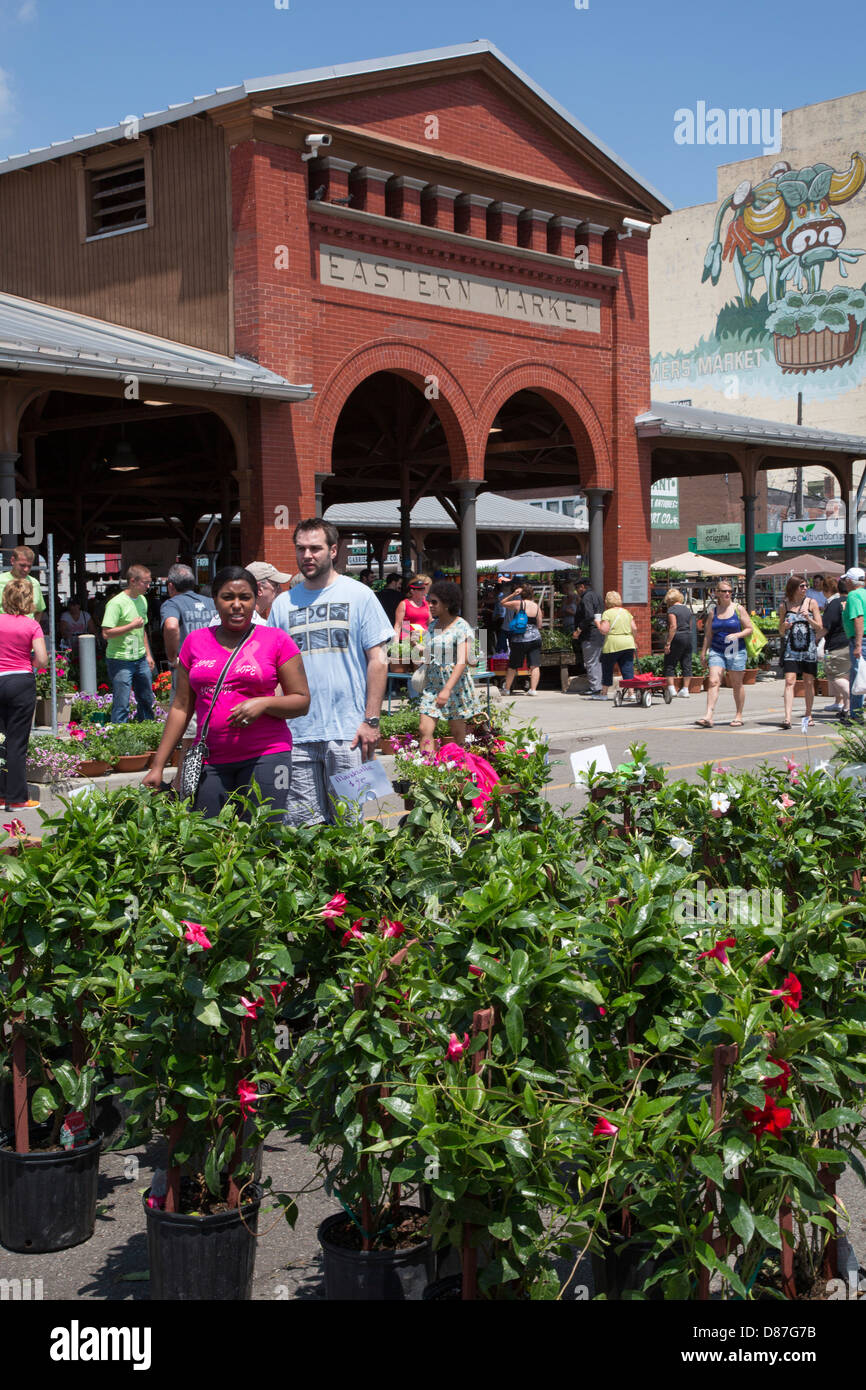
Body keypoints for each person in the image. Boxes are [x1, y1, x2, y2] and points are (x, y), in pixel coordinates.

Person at [143, 566, 309, 816]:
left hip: (267, 755)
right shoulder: (195, 642)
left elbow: (301, 701)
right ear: (215, 601)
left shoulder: (276, 640)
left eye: (245, 597)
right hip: (209, 760)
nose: (237, 605)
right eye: (228, 597)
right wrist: (158, 766)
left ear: (256, 600)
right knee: (205, 839)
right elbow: (180, 706)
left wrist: (263, 704)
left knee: (261, 839)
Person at [268, 518, 393, 827]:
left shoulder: (360, 595)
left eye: (315, 548)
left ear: (333, 551)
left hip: (349, 734)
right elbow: (272, 670)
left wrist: (371, 721)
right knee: (301, 828)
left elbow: (378, 660)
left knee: (357, 824)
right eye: (301, 549)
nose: (307, 555)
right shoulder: (283, 604)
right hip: (296, 737)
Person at [0, 577, 47, 810]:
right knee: (17, 742)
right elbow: (42, 659)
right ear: (28, 600)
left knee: (0, 739)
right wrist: (27, 662)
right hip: (20, 680)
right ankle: (16, 798)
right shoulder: (32, 626)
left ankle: (0, 794)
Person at [417, 580, 480, 752]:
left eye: (434, 602)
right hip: (432, 684)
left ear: (447, 603)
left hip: (455, 686)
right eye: (429, 601)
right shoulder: (432, 625)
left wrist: (447, 689)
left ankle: (462, 769)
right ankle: (426, 770)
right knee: (424, 729)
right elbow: (432, 654)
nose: (429, 605)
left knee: (458, 733)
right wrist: (420, 650)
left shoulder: (461, 626)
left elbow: (462, 661)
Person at [101, 565, 156, 724]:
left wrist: (148, 654)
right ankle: (120, 737)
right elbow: (106, 633)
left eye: (149, 582)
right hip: (120, 659)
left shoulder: (142, 600)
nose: (148, 586)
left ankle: (147, 731)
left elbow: (142, 629)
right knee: (122, 703)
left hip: (139, 658)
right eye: (145, 583)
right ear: (133, 581)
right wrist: (130, 626)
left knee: (146, 699)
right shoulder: (116, 603)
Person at [696, 582, 752, 728]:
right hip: (717, 650)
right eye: (724, 591)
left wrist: (737, 635)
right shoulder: (713, 611)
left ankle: (738, 715)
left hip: (735, 649)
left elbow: (749, 629)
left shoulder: (738, 609)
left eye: (730, 591)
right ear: (717, 593)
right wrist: (703, 652)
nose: (727, 593)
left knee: (736, 683)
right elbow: (708, 634)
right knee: (713, 681)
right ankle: (708, 715)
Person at [161, 564, 217, 690]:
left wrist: (172, 658)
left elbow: (171, 627)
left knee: (182, 706)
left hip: (187, 665)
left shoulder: (172, 604)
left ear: (170, 586)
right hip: (213, 662)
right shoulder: (211, 602)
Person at [778, 574, 821, 730]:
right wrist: (785, 626)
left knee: (808, 682)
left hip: (808, 649)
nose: (805, 589)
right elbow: (780, 630)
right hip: (791, 649)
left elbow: (819, 627)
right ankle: (787, 717)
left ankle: (809, 714)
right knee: (789, 681)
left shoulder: (811, 603)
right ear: (794, 587)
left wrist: (808, 618)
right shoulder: (785, 605)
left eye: (806, 586)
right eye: (802, 586)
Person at [501, 584, 543, 696]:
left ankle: (507, 689)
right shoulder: (537, 607)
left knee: (513, 665)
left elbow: (502, 603)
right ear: (532, 594)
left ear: (521, 594)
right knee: (535, 664)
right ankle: (533, 690)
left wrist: (514, 594)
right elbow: (539, 625)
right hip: (535, 638)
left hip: (519, 640)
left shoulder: (518, 604)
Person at [597, 591, 638, 699]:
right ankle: (631, 693)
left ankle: (604, 693)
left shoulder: (607, 613)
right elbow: (634, 628)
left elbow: (604, 630)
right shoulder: (626, 612)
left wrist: (597, 623)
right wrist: (633, 639)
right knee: (628, 668)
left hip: (612, 644)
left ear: (607, 601)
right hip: (628, 643)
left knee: (607, 668)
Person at [820, 576, 850, 717]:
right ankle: (847, 707)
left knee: (835, 675)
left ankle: (850, 698)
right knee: (846, 675)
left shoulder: (835, 603)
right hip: (851, 642)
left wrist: (814, 638)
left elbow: (826, 626)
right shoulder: (851, 601)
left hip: (837, 644)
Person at [842, 566, 866, 720]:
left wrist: (857, 645)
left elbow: (858, 618)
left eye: (845, 579)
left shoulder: (853, 595)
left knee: (858, 676)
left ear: (850, 581)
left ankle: (856, 714)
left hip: (860, 639)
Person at [574, 576, 604, 699]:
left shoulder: (586, 597)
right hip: (599, 632)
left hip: (590, 633)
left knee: (591, 661)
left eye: (577, 588)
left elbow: (589, 616)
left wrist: (578, 629)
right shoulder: (597, 596)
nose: (576, 591)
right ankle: (599, 686)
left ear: (582, 587)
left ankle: (595, 688)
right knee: (597, 661)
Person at [663, 588, 694, 699]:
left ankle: (671, 689)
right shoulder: (687, 609)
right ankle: (685, 689)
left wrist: (668, 643)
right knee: (686, 663)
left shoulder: (672, 610)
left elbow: (673, 626)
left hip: (677, 636)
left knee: (670, 662)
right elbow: (689, 624)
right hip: (688, 636)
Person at [0, 546, 46, 616]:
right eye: (22, 565)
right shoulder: (1, 580)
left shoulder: (34, 583)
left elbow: (39, 611)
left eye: (29, 566)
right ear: (12, 561)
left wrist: (31, 626)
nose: (26, 569)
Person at [393, 573, 431, 647]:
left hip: (423, 640)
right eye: (420, 589)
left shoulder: (426, 603)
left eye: (423, 589)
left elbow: (429, 622)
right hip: (407, 641)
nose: (423, 591)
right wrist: (395, 645)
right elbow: (397, 625)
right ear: (412, 591)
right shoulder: (404, 604)